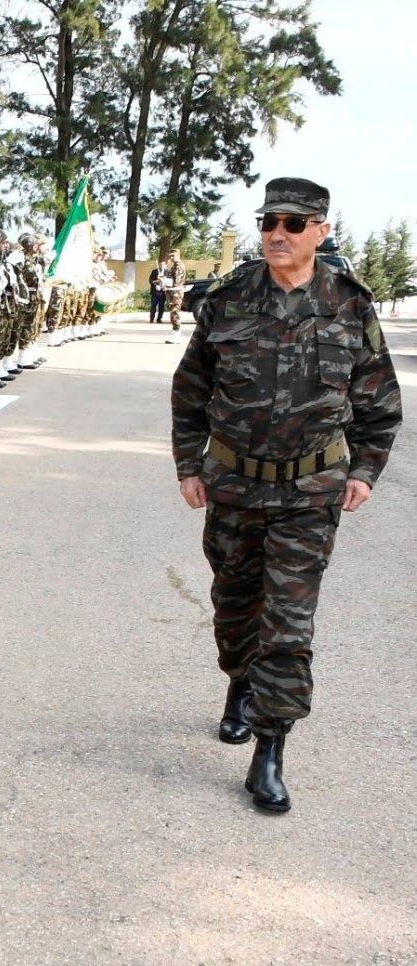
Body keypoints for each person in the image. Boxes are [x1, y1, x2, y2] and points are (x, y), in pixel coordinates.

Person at [171, 177, 403, 813]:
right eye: (270, 220)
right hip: (234, 487)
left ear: (321, 232)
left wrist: (366, 471)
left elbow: (379, 402)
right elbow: (191, 389)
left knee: (289, 623)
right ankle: (239, 684)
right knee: (234, 605)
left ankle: (270, 747)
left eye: (294, 224)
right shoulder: (229, 299)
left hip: (310, 493)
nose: (278, 232)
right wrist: (188, 464)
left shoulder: (348, 304)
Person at [160, 249, 187, 342]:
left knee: (175, 314)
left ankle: (176, 336)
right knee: (174, 314)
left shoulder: (179, 267)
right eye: (170, 256)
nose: (171, 258)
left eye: (173, 256)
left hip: (176, 294)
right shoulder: (175, 266)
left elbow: (175, 283)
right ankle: (177, 335)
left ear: (178, 255)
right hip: (173, 293)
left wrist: (164, 282)